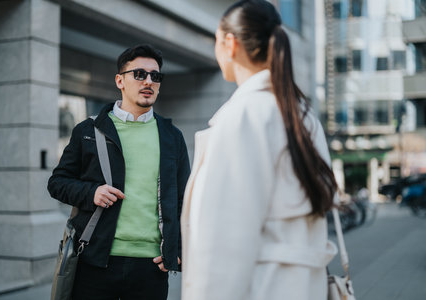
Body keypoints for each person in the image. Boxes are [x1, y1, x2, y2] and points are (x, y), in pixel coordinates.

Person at [181, 1, 338, 299]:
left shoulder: (244, 115)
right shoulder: (302, 114)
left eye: (216, 40)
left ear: (230, 43)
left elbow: (224, 242)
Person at [48, 44, 190, 300]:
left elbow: (184, 198)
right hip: (95, 260)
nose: (149, 81)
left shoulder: (172, 137)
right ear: (119, 80)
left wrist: (178, 248)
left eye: (155, 76)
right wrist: (91, 192)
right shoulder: (88, 130)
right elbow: (57, 182)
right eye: (139, 74)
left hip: (151, 266)